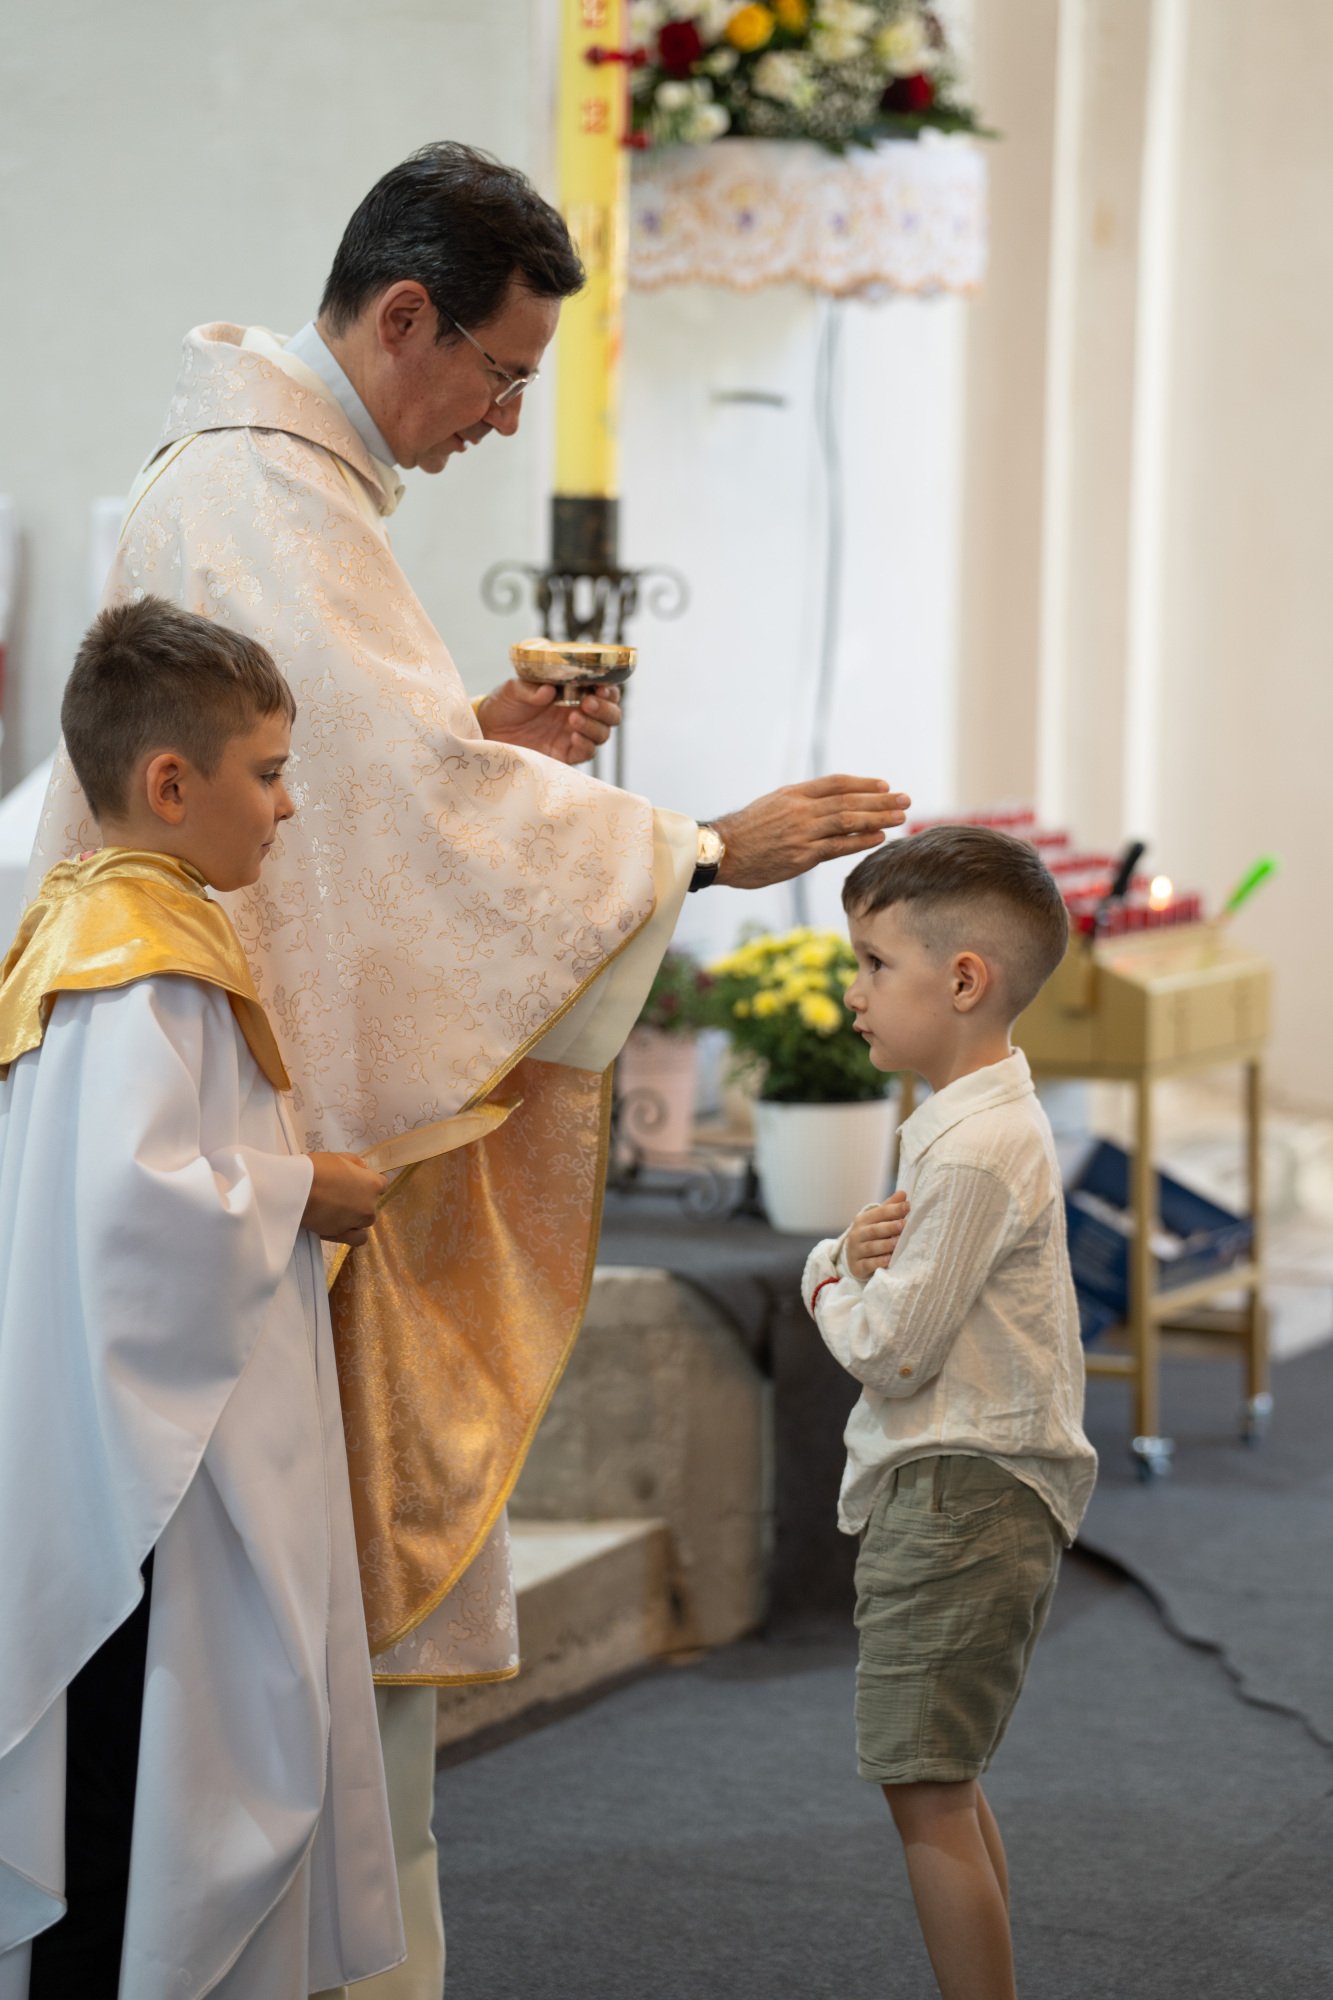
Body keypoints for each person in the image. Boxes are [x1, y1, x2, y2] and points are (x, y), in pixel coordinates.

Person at [29, 142, 911, 1997]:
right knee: (235, 1698)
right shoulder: (265, 498)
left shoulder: (275, 483)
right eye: (501, 375)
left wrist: (470, 734)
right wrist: (700, 849)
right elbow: (375, 827)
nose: (506, 421)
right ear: (404, 317)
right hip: (231, 1207)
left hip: (246, 1167)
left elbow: (351, 783)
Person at [0, 599, 403, 1999]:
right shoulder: (146, 960)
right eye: (271, 772)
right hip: (154, 1480)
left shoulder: (84, 922)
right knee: (137, 1786)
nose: (287, 808)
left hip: (106, 1431)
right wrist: (306, 1191)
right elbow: (134, 1214)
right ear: (172, 784)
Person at [802, 826, 1098, 2000]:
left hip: (960, 1488)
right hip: (969, 1485)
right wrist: (858, 1258)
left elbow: (891, 1349)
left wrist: (824, 1275)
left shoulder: (975, 1147)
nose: (855, 990)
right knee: (944, 1780)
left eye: (874, 963)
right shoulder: (976, 1125)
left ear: (964, 978)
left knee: (925, 1789)